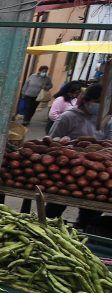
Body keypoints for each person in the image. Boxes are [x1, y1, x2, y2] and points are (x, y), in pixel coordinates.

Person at [46, 84, 104, 230]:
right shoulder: (68, 117)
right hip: (66, 171)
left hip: (96, 174)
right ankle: (48, 228)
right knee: (54, 208)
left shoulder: (106, 121)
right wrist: (68, 147)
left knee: (91, 212)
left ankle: (83, 228)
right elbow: (51, 142)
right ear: (86, 99)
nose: (100, 106)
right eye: (97, 102)